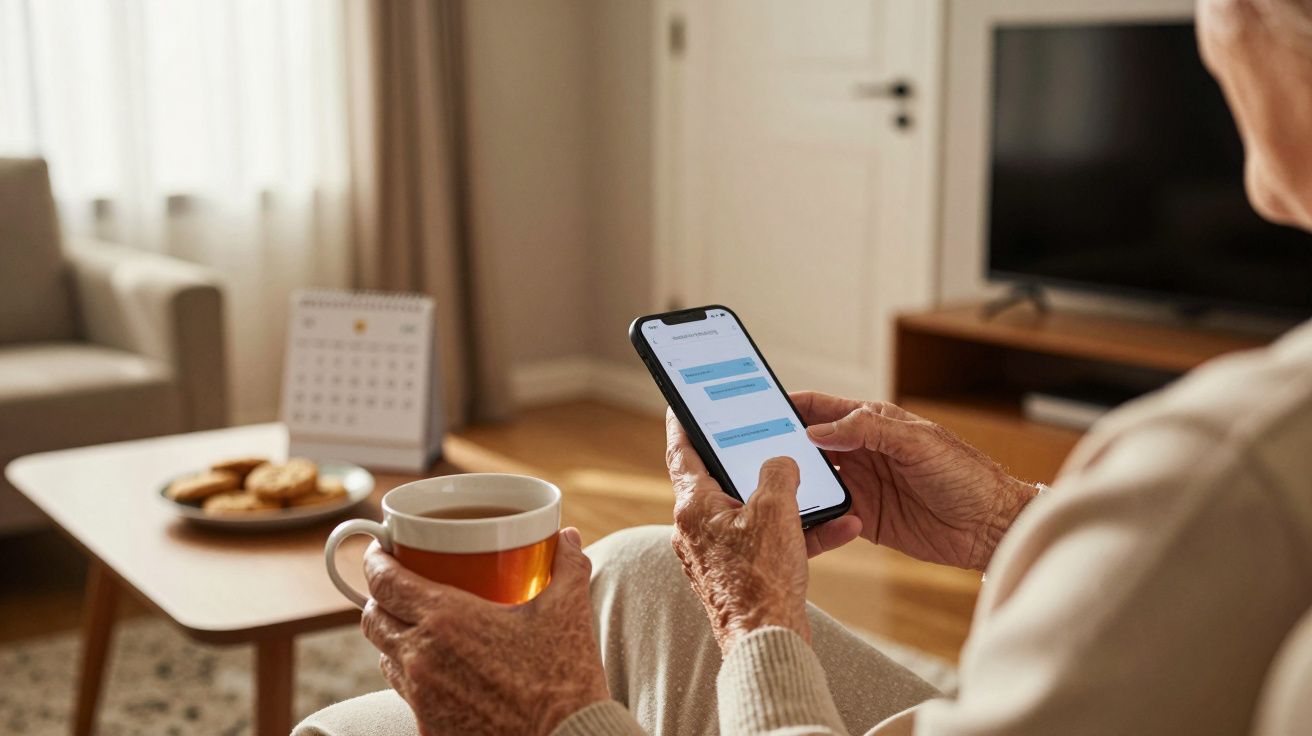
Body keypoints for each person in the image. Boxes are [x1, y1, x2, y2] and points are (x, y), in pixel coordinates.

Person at [295, 0, 1312, 733]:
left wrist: (562, 715)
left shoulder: (1233, 461)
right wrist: (1009, 522)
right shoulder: (1238, 485)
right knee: (651, 565)